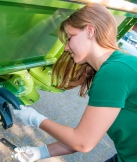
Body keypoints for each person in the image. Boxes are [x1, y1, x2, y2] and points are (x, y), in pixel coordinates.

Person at [12, 2, 137, 162]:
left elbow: (83, 142)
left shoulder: (114, 72)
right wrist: (40, 152)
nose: (65, 48)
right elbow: (87, 134)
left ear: (90, 31)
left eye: (70, 38)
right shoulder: (116, 65)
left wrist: (36, 119)